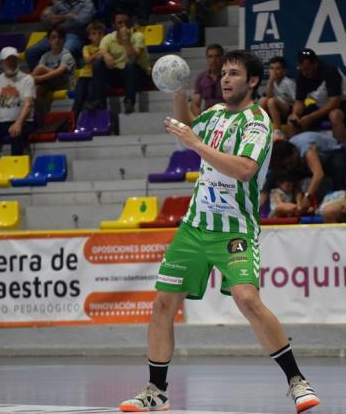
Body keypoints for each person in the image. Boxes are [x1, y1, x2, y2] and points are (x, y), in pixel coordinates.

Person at [118, 50, 320, 413]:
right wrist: (178, 90)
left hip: (234, 229)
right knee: (163, 303)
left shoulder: (257, 122)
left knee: (247, 299)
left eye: (234, 74)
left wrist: (196, 144)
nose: (225, 79)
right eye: (223, 73)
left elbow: (243, 169)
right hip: (195, 226)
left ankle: (296, 381)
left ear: (253, 81)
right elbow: (189, 127)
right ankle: (156, 391)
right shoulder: (214, 115)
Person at [289, 48, 346, 143]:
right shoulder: (301, 75)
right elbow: (299, 102)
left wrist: (311, 117)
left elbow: (334, 102)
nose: (305, 73)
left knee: (335, 115)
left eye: (307, 69)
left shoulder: (330, 71)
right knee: (291, 119)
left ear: (315, 64)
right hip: (324, 107)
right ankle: (295, 152)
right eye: (301, 69)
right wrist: (295, 114)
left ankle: (339, 151)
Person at [265, 131, 346, 214]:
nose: (289, 165)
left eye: (290, 162)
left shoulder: (305, 147)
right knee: (277, 173)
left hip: (332, 153)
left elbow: (318, 174)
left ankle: (339, 203)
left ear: (294, 153)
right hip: (306, 162)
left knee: (338, 165)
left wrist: (307, 197)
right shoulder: (284, 152)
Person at [27, 0, 96, 70]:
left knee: (66, 50)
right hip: (56, 35)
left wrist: (57, 19)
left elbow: (80, 21)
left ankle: (61, 80)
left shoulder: (88, 3)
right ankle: (41, 80)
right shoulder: (60, 4)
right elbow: (46, 20)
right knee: (31, 52)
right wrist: (67, 16)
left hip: (74, 36)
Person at [92, 11, 151, 114]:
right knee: (98, 63)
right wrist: (106, 55)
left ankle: (129, 101)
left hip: (138, 75)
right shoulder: (108, 38)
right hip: (120, 74)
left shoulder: (138, 36)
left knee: (130, 65)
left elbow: (133, 57)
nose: (124, 25)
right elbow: (101, 50)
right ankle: (100, 102)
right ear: (113, 25)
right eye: (120, 23)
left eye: (126, 22)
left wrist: (125, 39)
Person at [31, 28, 76, 122]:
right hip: (50, 83)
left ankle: (25, 81)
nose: (57, 40)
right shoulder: (45, 56)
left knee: (40, 68)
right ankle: (41, 120)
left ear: (64, 40)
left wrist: (39, 78)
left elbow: (60, 71)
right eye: (53, 38)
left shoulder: (66, 55)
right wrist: (38, 80)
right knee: (36, 90)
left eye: (60, 38)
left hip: (64, 82)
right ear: (48, 40)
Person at [72, 20, 105, 118]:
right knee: (78, 99)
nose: (98, 36)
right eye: (94, 33)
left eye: (100, 33)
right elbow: (87, 60)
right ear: (89, 37)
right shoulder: (86, 47)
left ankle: (90, 121)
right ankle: (72, 121)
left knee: (91, 97)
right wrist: (99, 53)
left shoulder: (106, 46)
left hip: (96, 78)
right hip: (84, 76)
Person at [259, 56, 295, 140]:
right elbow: (268, 95)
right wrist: (271, 80)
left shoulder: (289, 83)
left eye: (278, 68)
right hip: (275, 109)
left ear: (284, 71)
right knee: (263, 100)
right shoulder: (271, 82)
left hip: (288, 110)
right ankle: (259, 127)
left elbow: (297, 101)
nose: (274, 71)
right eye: (272, 68)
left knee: (271, 101)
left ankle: (278, 131)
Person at [189, 43, 224, 117]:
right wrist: (200, 117)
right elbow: (195, 103)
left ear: (222, 58)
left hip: (226, 115)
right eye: (210, 57)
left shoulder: (228, 76)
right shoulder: (201, 77)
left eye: (217, 56)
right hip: (208, 117)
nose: (213, 60)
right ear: (207, 59)